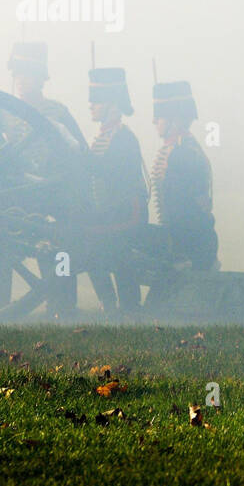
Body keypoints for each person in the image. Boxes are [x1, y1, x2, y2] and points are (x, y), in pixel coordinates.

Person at [0, 42, 85, 315]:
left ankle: (63, 307)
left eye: (28, 74)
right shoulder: (4, 113)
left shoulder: (57, 112)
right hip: (17, 195)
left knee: (58, 250)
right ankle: (0, 305)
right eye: (18, 74)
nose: (22, 81)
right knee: (0, 242)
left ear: (40, 79)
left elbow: (80, 154)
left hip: (53, 194)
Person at [85, 67, 149, 314]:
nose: (91, 105)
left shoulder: (123, 138)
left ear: (112, 104)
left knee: (115, 255)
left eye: (96, 100)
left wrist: (84, 161)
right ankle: (112, 304)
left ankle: (125, 307)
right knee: (95, 250)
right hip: (113, 209)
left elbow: (112, 175)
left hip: (127, 211)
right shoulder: (107, 136)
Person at [145, 81, 218, 271]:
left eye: (159, 117)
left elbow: (188, 210)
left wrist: (181, 253)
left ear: (174, 120)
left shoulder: (183, 153)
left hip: (191, 246)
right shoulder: (180, 150)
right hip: (185, 241)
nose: (154, 122)